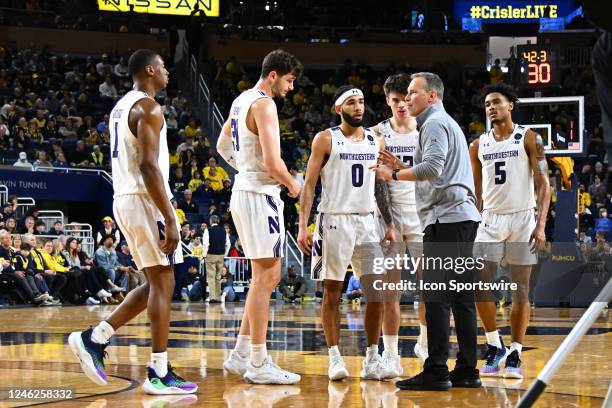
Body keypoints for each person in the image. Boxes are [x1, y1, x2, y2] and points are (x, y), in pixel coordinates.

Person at [68, 49, 197, 395]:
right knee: (165, 280)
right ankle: (157, 370)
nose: (168, 73)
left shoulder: (121, 106)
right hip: (143, 198)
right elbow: (149, 167)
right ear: (151, 70)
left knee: (158, 281)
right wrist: (170, 216)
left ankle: (96, 337)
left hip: (126, 197)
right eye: (165, 67)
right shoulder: (149, 107)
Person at [373, 72, 482, 391]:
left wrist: (394, 173)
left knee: (436, 296)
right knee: (462, 298)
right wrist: (403, 166)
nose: (407, 99)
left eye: (412, 93)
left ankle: (435, 370)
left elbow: (433, 169)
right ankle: (467, 370)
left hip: (446, 219)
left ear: (431, 96)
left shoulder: (434, 123)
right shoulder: (447, 123)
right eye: (403, 95)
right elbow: (437, 167)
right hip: (461, 218)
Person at [297, 85, 394, 381]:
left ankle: (372, 359)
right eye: (352, 103)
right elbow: (310, 184)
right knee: (332, 292)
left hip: (367, 221)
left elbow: (380, 184)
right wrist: (303, 225)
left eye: (361, 102)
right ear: (339, 108)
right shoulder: (325, 139)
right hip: (334, 221)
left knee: (376, 292)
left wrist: (388, 223)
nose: (359, 107)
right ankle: (334, 358)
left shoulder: (375, 139)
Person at [218, 49, 302, 384]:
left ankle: (240, 355)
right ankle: (258, 361)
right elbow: (272, 161)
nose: (291, 88)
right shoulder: (264, 103)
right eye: (289, 80)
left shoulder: (241, 100)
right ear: (273, 75)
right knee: (267, 277)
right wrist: (292, 183)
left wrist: (246, 170)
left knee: (261, 277)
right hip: (259, 195)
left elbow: (224, 147)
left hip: (244, 190)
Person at [470, 83, 551, 379]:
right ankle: (494, 345)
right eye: (487, 104)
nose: (491, 107)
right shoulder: (478, 145)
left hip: (522, 218)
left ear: (511, 105)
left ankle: (515, 352)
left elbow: (544, 183)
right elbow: (476, 193)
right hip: (490, 219)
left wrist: (541, 225)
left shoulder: (529, 137)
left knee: (520, 290)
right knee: (478, 282)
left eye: (496, 102)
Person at [370, 73, 428, 377]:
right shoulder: (377, 133)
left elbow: (433, 173)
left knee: (429, 287)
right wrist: (389, 221)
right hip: (389, 217)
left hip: (421, 215)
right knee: (390, 291)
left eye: (406, 98)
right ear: (387, 101)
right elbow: (377, 183)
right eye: (395, 100)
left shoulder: (425, 129)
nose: (402, 105)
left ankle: (425, 343)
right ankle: (391, 354)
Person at [202, 214, 230, 303]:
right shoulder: (224, 230)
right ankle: (218, 297)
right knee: (218, 277)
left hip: (210, 255)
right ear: (218, 221)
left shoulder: (208, 230)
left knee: (211, 277)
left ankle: (212, 297)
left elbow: (206, 244)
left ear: (211, 221)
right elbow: (228, 244)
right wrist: (224, 254)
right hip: (221, 256)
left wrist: (204, 255)